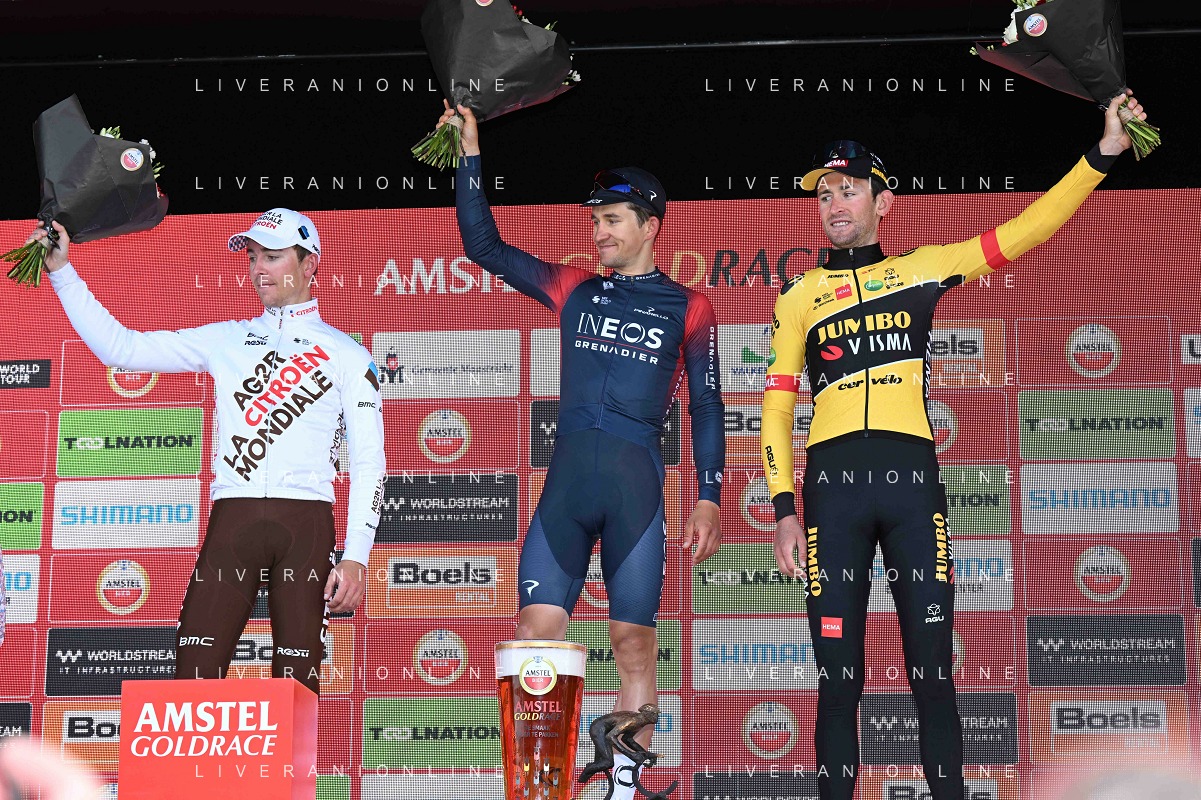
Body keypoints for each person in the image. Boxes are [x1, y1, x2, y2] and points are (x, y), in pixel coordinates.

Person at [760, 90, 1148, 800]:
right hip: (831, 496)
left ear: (884, 201)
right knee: (837, 681)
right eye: (824, 194)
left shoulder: (922, 267)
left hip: (912, 489)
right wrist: (784, 508)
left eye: (849, 189)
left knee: (933, 677)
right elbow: (777, 406)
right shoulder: (798, 295)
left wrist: (1103, 154)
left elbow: (1028, 228)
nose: (834, 203)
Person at [438, 99, 724, 797]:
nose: (598, 232)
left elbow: (707, 405)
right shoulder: (573, 288)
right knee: (535, 636)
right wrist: (470, 155)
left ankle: (624, 791)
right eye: (595, 221)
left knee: (634, 645)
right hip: (566, 489)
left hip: (635, 492)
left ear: (649, 225)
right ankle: (539, 787)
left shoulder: (689, 307)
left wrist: (710, 498)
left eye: (612, 220)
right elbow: (484, 248)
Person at [30, 208, 386, 695]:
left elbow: (368, 463)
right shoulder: (227, 339)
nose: (258, 269)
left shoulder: (349, 355)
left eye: (272, 257)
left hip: (306, 525)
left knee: (297, 694)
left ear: (309, 264)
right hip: (233, 521)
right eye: (253, 257)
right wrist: (62, 272)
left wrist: (358, 555)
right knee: (192, 683)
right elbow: (122, 349)